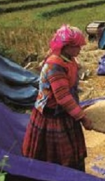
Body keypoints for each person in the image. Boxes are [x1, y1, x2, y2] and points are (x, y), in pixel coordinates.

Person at [22, 25, 93, 171]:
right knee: (57, 155)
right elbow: (63, 98)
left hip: (65, 113)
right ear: (66, 46)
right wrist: (82, 117)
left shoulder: (69, 59)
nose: (80, 49)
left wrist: (78, 109)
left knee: (72, 153)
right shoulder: (54, 65)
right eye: (77, 46)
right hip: (52, 115)